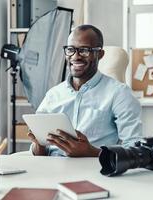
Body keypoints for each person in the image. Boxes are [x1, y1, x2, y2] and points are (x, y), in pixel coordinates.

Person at [27, 24, 142, 157]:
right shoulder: (53, 94)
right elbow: (40, 153)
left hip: (94, 170)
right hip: (52, 171)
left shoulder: (120, 94)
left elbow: (135, 151)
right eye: (70, 49)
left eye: (84, 50)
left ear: (100, 54)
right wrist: (39, 144)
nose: (76, 57)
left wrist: (91, 152)